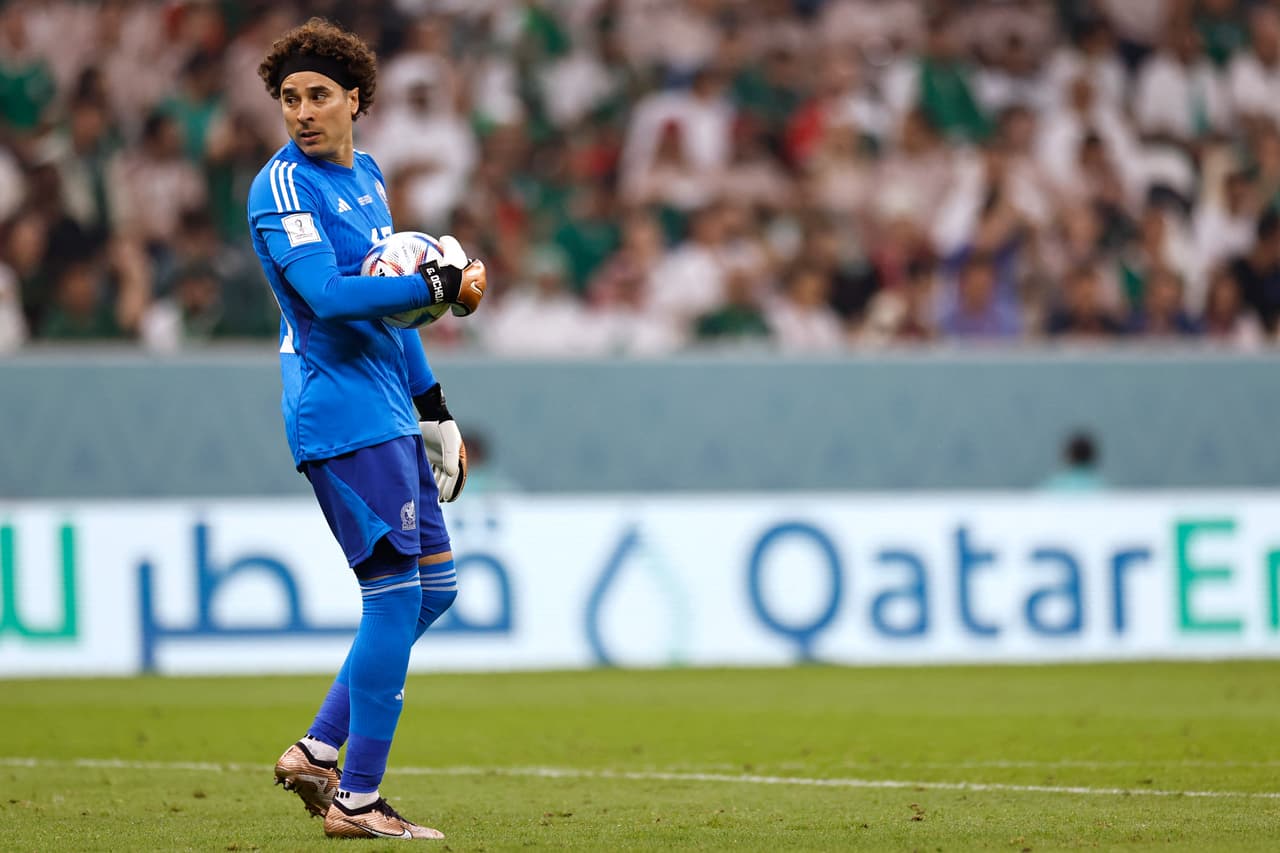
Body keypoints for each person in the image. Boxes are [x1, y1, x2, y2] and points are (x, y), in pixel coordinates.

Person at [246, 18, 487, 841]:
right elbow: (328, 295)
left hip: (386, 403)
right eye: (289, 99)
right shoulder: (280, 187)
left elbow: (396, 313)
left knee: (437, 590)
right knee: (392, 596)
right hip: (338, 409)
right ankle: (355, 798)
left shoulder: (371, 177)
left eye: (318, 96)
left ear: (356, 100)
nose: (302, 112)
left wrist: (435, 406)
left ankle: (319, 748)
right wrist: (439, 280)